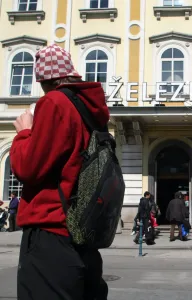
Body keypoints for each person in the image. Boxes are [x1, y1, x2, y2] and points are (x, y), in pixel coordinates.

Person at [10, 44, 110, 299]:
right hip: (83, 234)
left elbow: (28, 167)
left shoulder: (55, 102)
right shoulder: (89, 109)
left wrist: (24, 132)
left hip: (51, 232)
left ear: (43, 79)